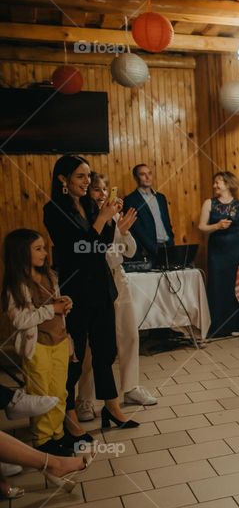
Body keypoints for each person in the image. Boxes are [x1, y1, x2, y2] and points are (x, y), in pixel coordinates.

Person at [43, 155, 140, 438]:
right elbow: (80, 250)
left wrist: (111, 221)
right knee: (77, 355)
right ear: (63, 179)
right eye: (80, 177)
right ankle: (69, 415)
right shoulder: (54, 210)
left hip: (101, 287)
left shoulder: (88, 205)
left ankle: (111, 406)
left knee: (105, 350)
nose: (87, 182)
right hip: (76, 291)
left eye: (88, 176)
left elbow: (102, 244)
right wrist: (101, 218)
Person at [76, 172, 156, 420]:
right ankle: (85, 400)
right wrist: (113, 233)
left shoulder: (115, 216)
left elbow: (130, 251)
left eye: (104, 190)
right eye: (97, 190)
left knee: (129, 334)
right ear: (89, 193)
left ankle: (130, 387)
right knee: (93, 345)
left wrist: (122, 231)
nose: (102, 195)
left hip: (118, 279)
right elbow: (98, 255)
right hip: (96, 281)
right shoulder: (88, 218)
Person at [2, 230, 72, 456]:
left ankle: (58, 434)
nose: (45, 253)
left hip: (59, 341)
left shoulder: (50, 275)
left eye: (44, 247)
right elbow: (21, 320)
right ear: (21, 253)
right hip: (38, 347)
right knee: (41, 394)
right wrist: (52, 309)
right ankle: (43, 440)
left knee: (60, 392)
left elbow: (56, 306)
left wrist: (64, 303)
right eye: (38, 249)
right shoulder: (17, 284)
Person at [199, 171, 239, 338]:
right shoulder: (209, 203)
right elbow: (202, 227)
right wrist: (216, 226)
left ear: (228, 184)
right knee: (216, 285)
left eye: (218, 182)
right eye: (214, 182)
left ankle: (237, 325)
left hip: (236, 250)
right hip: (216, 252)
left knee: (235, 287)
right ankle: (217, 327)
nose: (215, 185)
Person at [124, 163, 175, 263]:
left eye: (149, 173)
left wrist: (171, 240)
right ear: (136, 177)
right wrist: (153, 247)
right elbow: (136, 228)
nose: (147, 177)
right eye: (143, 174)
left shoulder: (161, 198)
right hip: (147, 250)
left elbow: (167, 222)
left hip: (167, 246)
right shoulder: (130, 200)